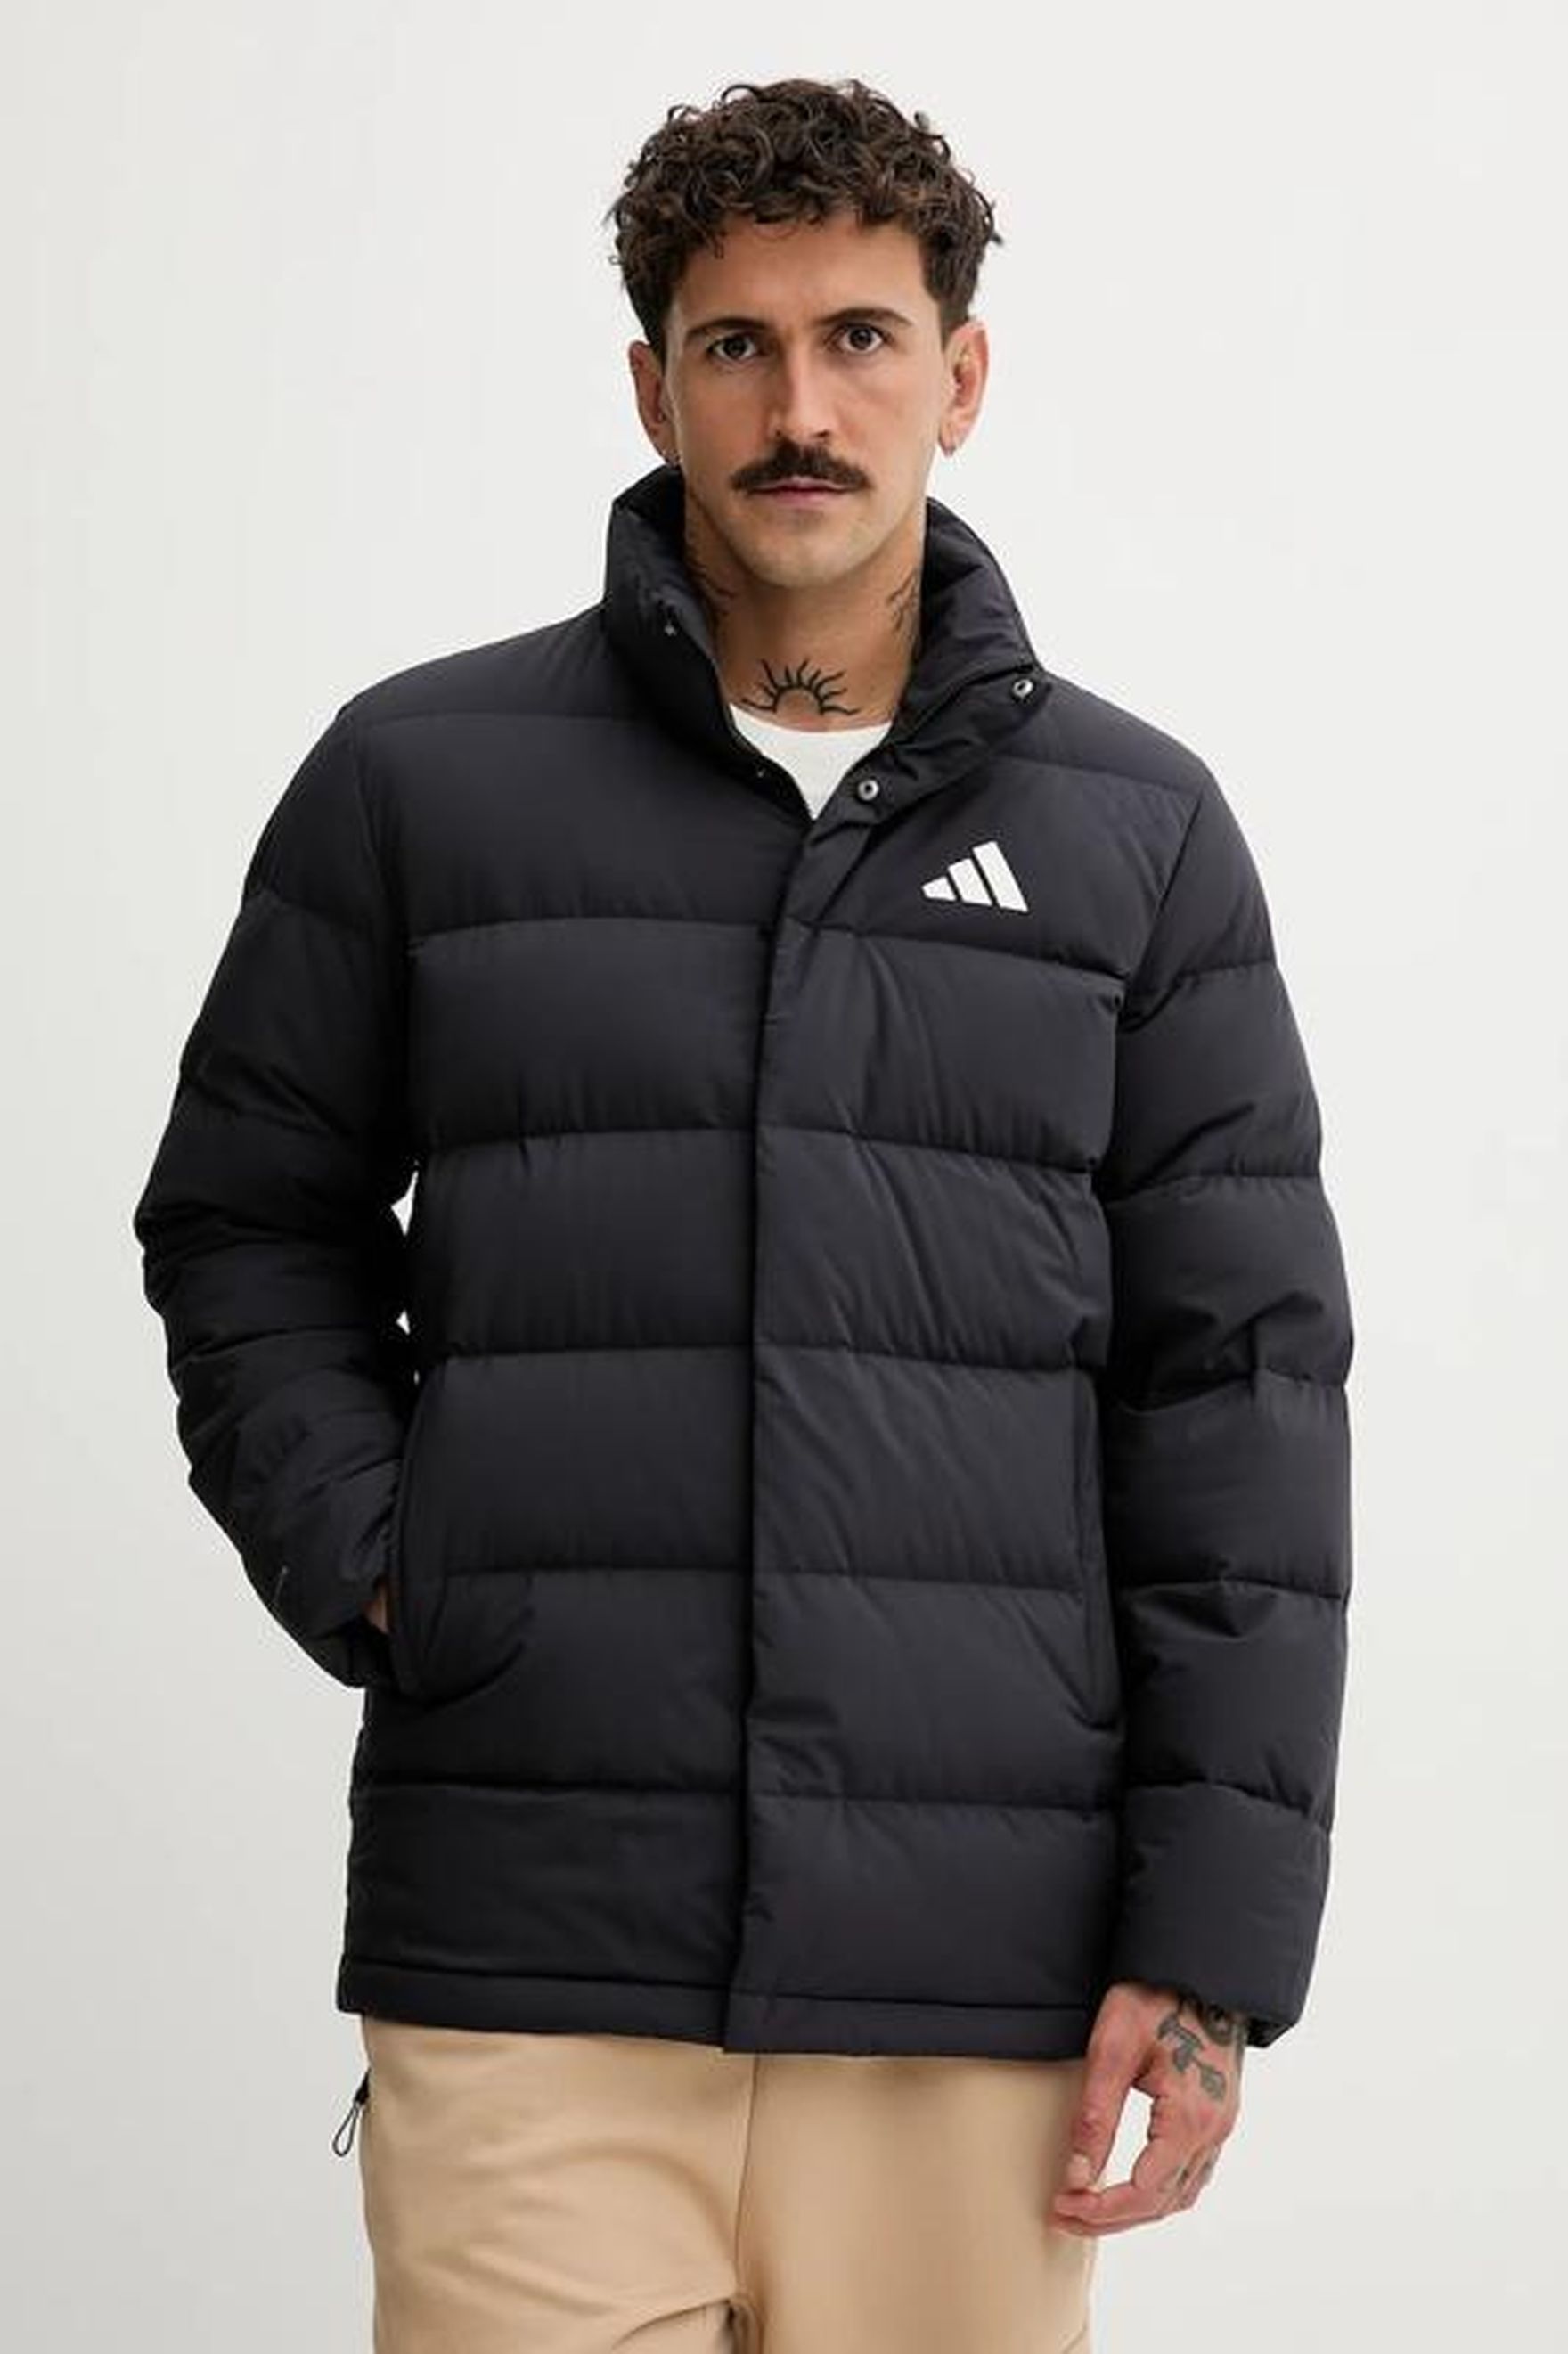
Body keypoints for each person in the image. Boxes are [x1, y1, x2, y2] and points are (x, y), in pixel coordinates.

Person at [132, 73, 1354, 2354]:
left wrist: (1207, 1956)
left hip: (975, 1976)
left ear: (960, 374)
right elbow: (245, 1220)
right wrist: (397, 1557)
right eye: (738, 346)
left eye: (860, 338)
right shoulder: (421, 782)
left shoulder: (1138, 836)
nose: (802, 409)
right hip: (533, 1939)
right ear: (652, 385)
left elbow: (1240, 1399)